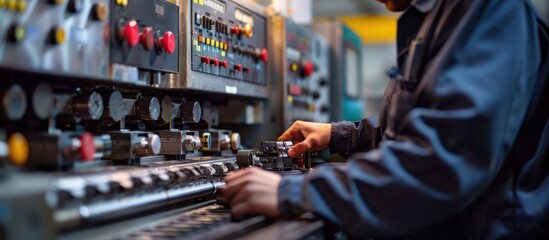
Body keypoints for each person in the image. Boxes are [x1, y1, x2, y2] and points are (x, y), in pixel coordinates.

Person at [222, 0, 549, 238]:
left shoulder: (492, 11)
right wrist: (342, 135)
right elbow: (417, 123)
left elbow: (443, 160)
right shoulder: (435, 17)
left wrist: (295, 192)